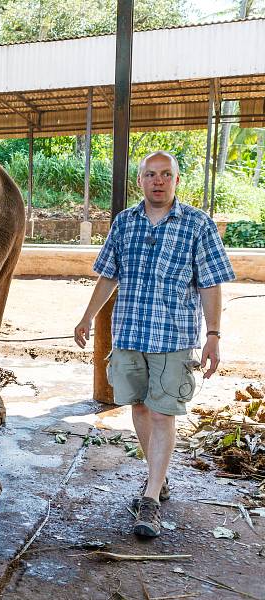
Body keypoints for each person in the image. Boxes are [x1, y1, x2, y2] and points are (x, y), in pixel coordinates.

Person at [74, 151, 235, 537]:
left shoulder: (197, 225)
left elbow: (211, 283)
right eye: (151, 174)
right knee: (141, 408)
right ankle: (157, 480)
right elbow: (108, 276)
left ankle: (149, 499)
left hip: (173, 338)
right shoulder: (125, 222)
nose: (158, 181)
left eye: (166, 174)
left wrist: (213, 336)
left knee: (164, 413)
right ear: (140, 181)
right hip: (129, 334)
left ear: (176, 181)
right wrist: (87, 316)